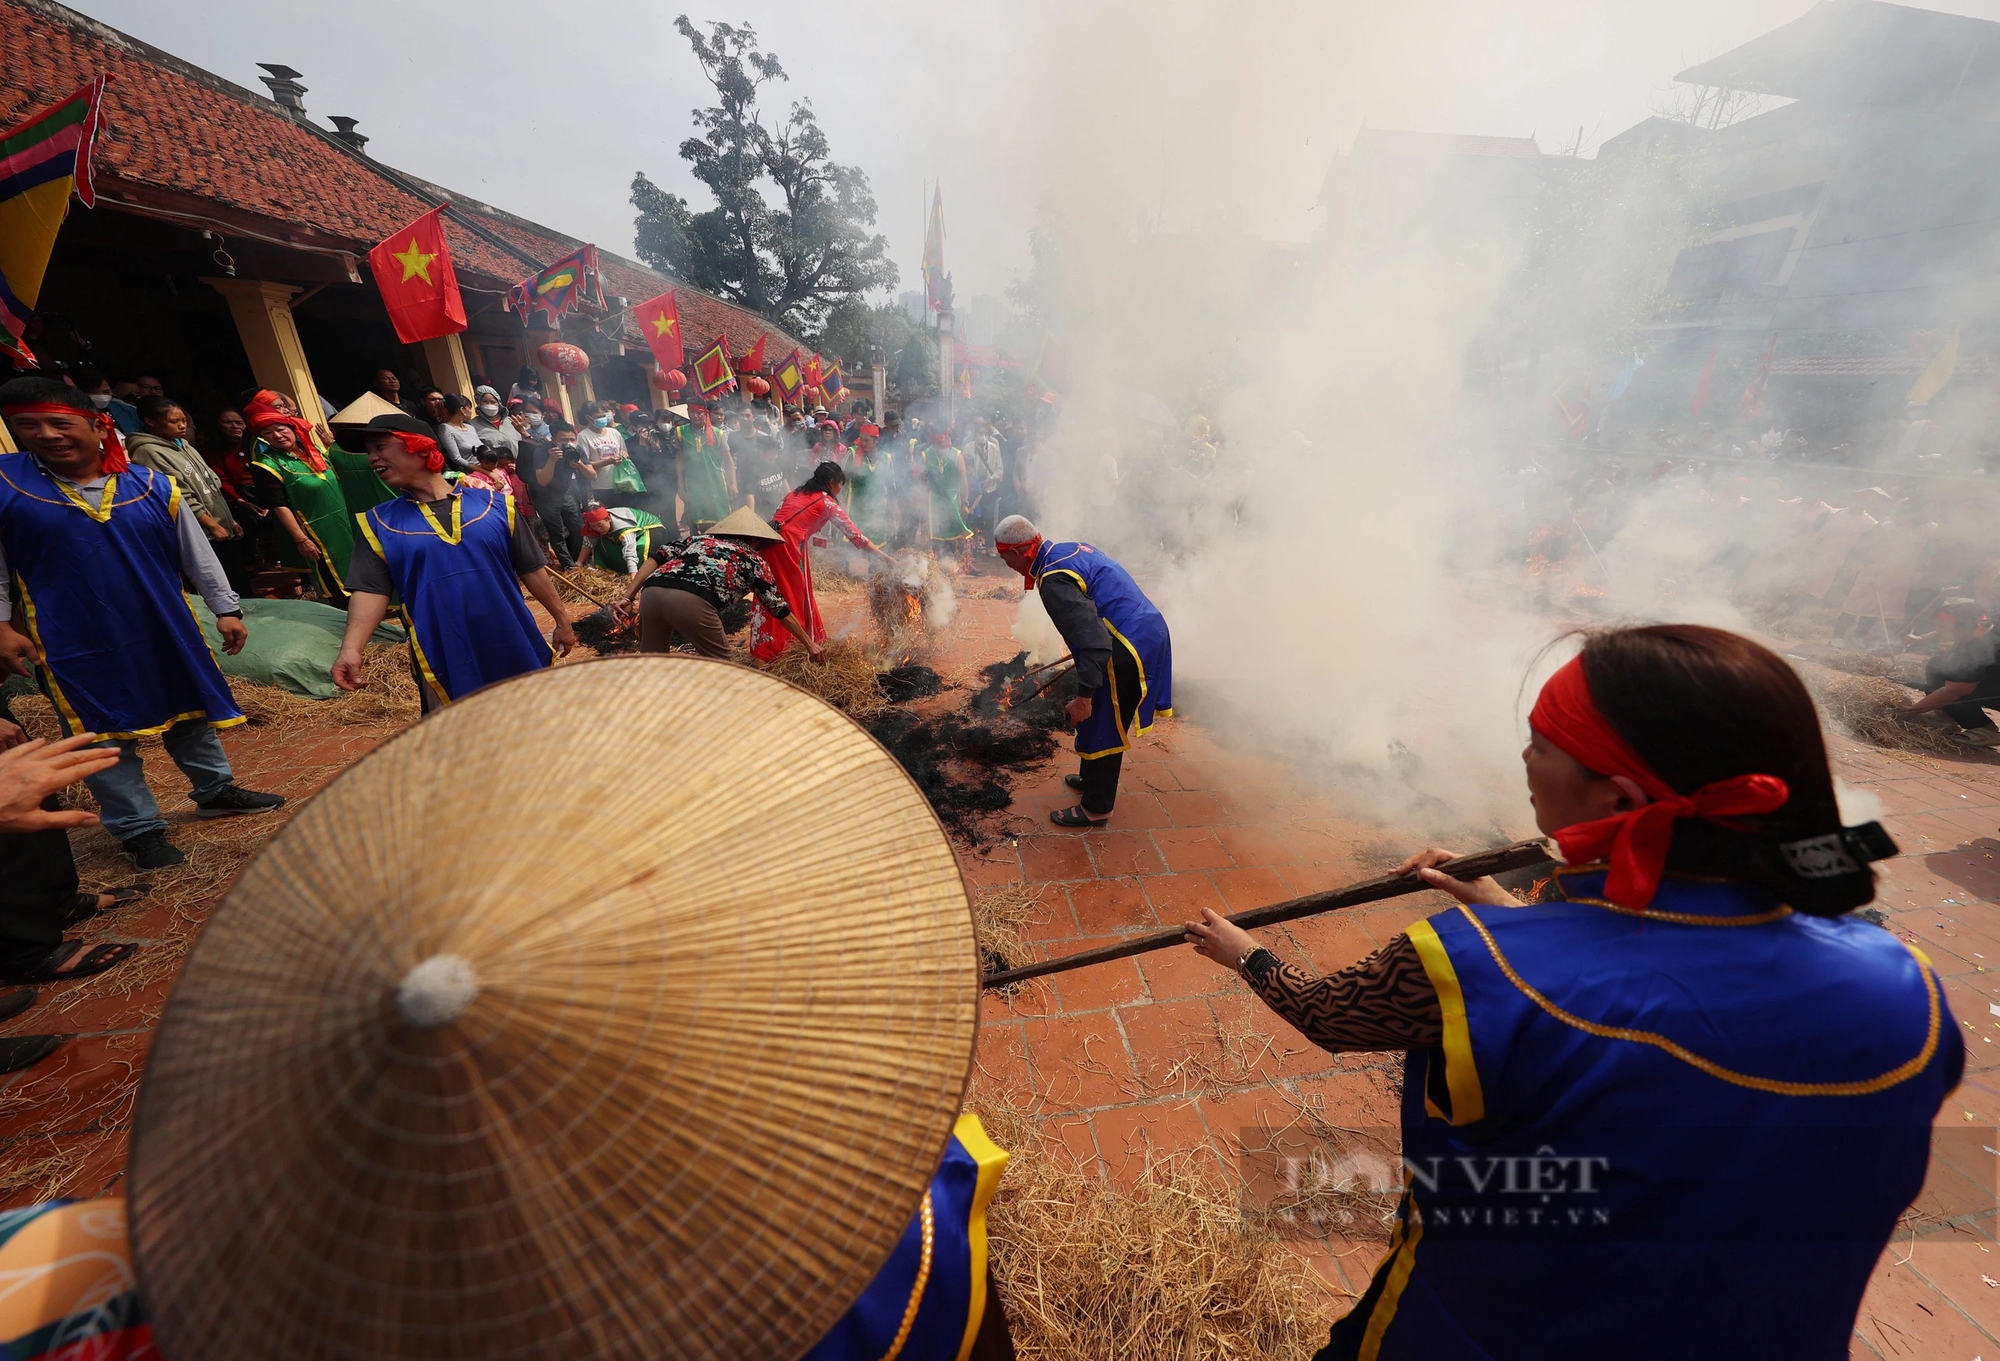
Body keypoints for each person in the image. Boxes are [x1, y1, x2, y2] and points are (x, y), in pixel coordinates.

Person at [1184, 624, 1953, 1361]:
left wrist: (1244, 954)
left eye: (1542, 743)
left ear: (1619, 801)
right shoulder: (1906, 991)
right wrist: (1509, 910)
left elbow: (1330, 1016)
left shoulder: (1468, 964)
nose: (1523, 755)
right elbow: (1656, 995)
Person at [0, 377, 284, 870]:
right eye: (28, 426)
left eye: (59, 423)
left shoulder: (152, 485)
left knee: (190, 707)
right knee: (101, 731)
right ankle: (139, 829)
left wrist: (227, 609)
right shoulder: (7, 485)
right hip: (70, 636)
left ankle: (216, 789)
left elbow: (197, 555)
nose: (45, 435)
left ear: (97, 425)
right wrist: (1, 624)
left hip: (162, 622)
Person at [332, 412, 575, 711]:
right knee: (459, 739)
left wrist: (562, 621)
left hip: (510, 640)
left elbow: (531, 569)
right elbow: (371, 591)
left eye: (380, 447)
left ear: (421, 448)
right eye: (369, 452)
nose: (372, 458)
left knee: (531, 726)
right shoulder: (379, 523)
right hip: (443, 653)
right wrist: (351, 649)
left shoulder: (495, 506)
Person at [993, 516, 1173, 827]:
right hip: (1139, 630)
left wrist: (1084, 698)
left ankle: (1097, 808)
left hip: (1127, 645)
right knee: (1097, 717)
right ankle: (1091, 778)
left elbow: (1095, 644)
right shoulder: (1064, 550)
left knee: (1103, 719)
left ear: (1018, 553)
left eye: (1002, 555)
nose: (1003, 562)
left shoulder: (1053, 581)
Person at [615, 505, 821, 662]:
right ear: (756, 540)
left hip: (651, 593)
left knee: (653, 663)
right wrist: (810, 644)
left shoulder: (697, 540)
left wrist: (628, 597)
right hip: (691, 602)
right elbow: (779, 609)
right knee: (723, 669)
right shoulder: (755, 562)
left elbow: (654, 559)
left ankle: (649, 713)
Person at [751, 461, 895, 662]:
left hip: (769, 542)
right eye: (840, 485)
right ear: (831, 482)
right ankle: (784, 650)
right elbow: (855, 535)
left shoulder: (795, 493)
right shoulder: (827, 502)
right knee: (791, 597)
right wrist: (886, 558)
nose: (840, 490)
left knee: (769, 593)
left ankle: (767, 648)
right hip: (788, 548)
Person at [127, 396, 250, 591]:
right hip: (200, 532)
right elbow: (178, 496)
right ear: (150, 421)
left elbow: (210, 485)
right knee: (220, 588)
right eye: (174, 421)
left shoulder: (184, 446)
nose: (182, 426)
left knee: (239, 583)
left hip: (220, 526)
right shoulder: (149, 451)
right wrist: (212, 525)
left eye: (184, 420)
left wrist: (229, 520)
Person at [246, 391, 352, 608]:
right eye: (268, 433)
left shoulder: (315, 452)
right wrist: (301, 539)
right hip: (317, 531)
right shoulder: (268, 464)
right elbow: (278, 504)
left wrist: (333, 446)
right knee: (335, 582)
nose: (276, 435)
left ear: (293, 428)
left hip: (345, 522)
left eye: (280, 429)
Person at [1898, 597, 2000, 746]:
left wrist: (1910, 712)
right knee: (1938, 666)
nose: (1939, 630)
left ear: (1963, 627)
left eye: (1943, 627)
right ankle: (1949, 715)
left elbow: (1953, 691)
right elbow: (1947, 630)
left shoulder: (1979, 648)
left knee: (1942, 689)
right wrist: (1920, 638)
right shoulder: (1984, 625)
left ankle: (1984, 728)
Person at [522, 417, 590, 569]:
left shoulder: (575, 450)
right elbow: (542, 481)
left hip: (567, 492)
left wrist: (579, 465)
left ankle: (580, 562)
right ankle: (568, 566)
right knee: (556, 532)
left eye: (572, 439)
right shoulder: (542, 451)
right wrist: (552, 460)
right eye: (563, 439)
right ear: (553, 439)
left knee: (578, 528)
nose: (568, 443)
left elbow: (592, 475)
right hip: (545, 496)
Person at [680, 404, 737, 530]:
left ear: (705, 413)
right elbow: (679, 461)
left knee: (719, 519)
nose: (695, 416)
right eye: (691, 412)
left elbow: (728, 461)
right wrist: (681, 485)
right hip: (693, 483)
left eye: (699, 412)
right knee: (695, 520)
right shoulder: (681, 432)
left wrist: (733, 483)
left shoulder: (718, 433)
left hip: (715, 482)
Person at [923, 431, 973, 567]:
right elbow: (922, 480)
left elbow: (963, 480)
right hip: (934, 502)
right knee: (935, 538)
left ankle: (954, 566)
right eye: (937, 444)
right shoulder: (926, 455)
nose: (940, 448)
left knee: (954, 535)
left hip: (953, 501)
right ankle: (938, 566)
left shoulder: (957, 455)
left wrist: (965, 503)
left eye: (942, 444)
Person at [581, 503, 669, 575]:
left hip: (651, 529)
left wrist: (633, 580)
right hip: (620, 531)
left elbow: (630, 553)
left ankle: (636, 572)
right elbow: (588, 544)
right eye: (593, 526)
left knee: (640, 547)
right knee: (600, 541)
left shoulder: (624, 528)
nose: (597, 529)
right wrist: (578, 565)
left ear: (608, 519)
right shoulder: (594, 524)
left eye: (600, 525)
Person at [574, 400, 630, 501]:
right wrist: (607, 462)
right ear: (588, 418)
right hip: (602, 487)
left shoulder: (614, 433)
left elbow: (625, 453)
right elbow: (584, 464)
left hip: (621, 483)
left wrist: (624, 455)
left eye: (603, 416)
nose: (602, 419)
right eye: (598, 417)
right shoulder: (583, 437)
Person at [436, 393, 485, 473]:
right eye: (469, 408)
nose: (471, 411)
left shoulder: (470, 427)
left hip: (485, 468)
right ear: (462, 410)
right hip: (470, 474)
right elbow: (456, 458)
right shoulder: (446, 429)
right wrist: (484, 471)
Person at [472, 384, 519, 457]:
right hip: (493, 467)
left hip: (517, 465)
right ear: (478, 402)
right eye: (485, 401)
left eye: (493, 402)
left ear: (499, 403)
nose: (489, 405)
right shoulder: (472, 426)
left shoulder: (512, 421)